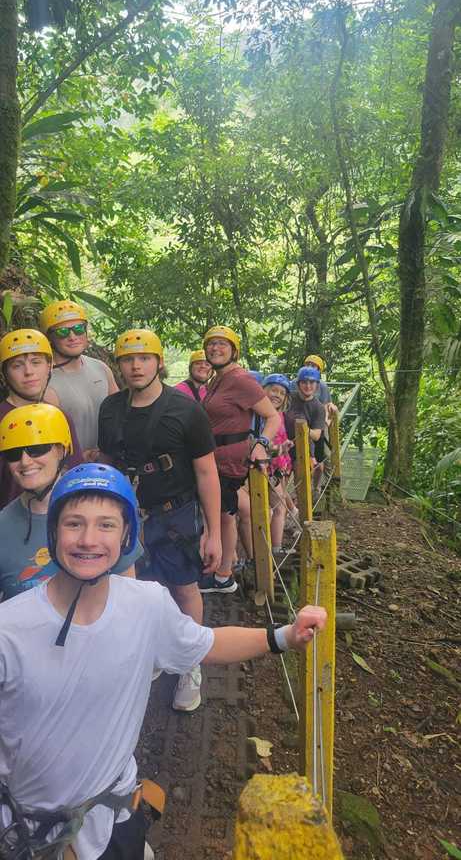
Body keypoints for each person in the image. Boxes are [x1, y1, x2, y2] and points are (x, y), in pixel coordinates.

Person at [0, 462, 326, 860]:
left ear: (126, 536)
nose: (88, 540)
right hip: (24, 830)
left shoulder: (146, 605)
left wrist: (285, 636)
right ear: (53, 532)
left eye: (106, 525)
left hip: (113, 815)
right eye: (74, 524)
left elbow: (206, 644)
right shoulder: (9, 628)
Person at [98, 329, 221, 712]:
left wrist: (214, 532)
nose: (136, 366)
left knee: (184, 588)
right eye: (128, 359)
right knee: (138, 590)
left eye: (144, 358)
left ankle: (190, 663)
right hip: (127, 514)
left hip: (174, 515)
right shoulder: (110, 409)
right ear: (118, 365)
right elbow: (108, 462)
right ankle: (152, 650)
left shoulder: (185, 410)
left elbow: (207, 473)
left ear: (159, 362)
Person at [0, 404, 142, 600]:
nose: (25, 461)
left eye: (37, 449)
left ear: (61, 450)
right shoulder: (3, 526)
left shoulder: (105, 509)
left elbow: (129, 593)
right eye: (13, 454)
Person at [200, 325, 279, 594]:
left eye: (222, 344)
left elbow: (272, 416)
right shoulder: (217, 379)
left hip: (229, 461)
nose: (215, 348)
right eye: (211, 344)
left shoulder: (241, 380)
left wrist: (262, 444)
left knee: (225, 514)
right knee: (221, 513)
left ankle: (223, 575)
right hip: (213, 458)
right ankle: (222, 566)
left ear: (234, 351)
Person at [0, 328, 83, 509]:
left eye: (36, 362)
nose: (29, 372)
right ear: (5, 374)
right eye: (17, 365)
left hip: (60, 517)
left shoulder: (59, 417)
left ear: (49, 366)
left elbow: (75, 475)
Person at [40, 299, 118, 455]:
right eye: (62, 332)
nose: (72, 336)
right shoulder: (43, 381)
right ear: (49, 338)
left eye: (78, 329)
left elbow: (120, 413)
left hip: (110, 462)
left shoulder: (101, 368)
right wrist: (76, 458)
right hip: (70, 466)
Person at [262, 374, 293, 553]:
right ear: (263, 390)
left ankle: (276, 549)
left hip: (276, 468)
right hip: (259, 468)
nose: (277, 395)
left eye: (282, 393)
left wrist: (284, 448)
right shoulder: (259, 415)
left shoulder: (280, 415)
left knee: (279, 506)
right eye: (274, 390)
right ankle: (258, 552)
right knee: (264, 510)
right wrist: (278, 448)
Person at [286, 366, 326, 493]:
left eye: (311, 382)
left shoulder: (318, 408)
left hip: (304, 448)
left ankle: (314, 491)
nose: (308, 386)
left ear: (317, 385)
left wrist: (303, 428)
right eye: (304, 382)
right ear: (298, 384)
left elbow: (316, 435)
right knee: (280, 484)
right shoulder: (289, 398)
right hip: (284, 445)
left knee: (302, 484)